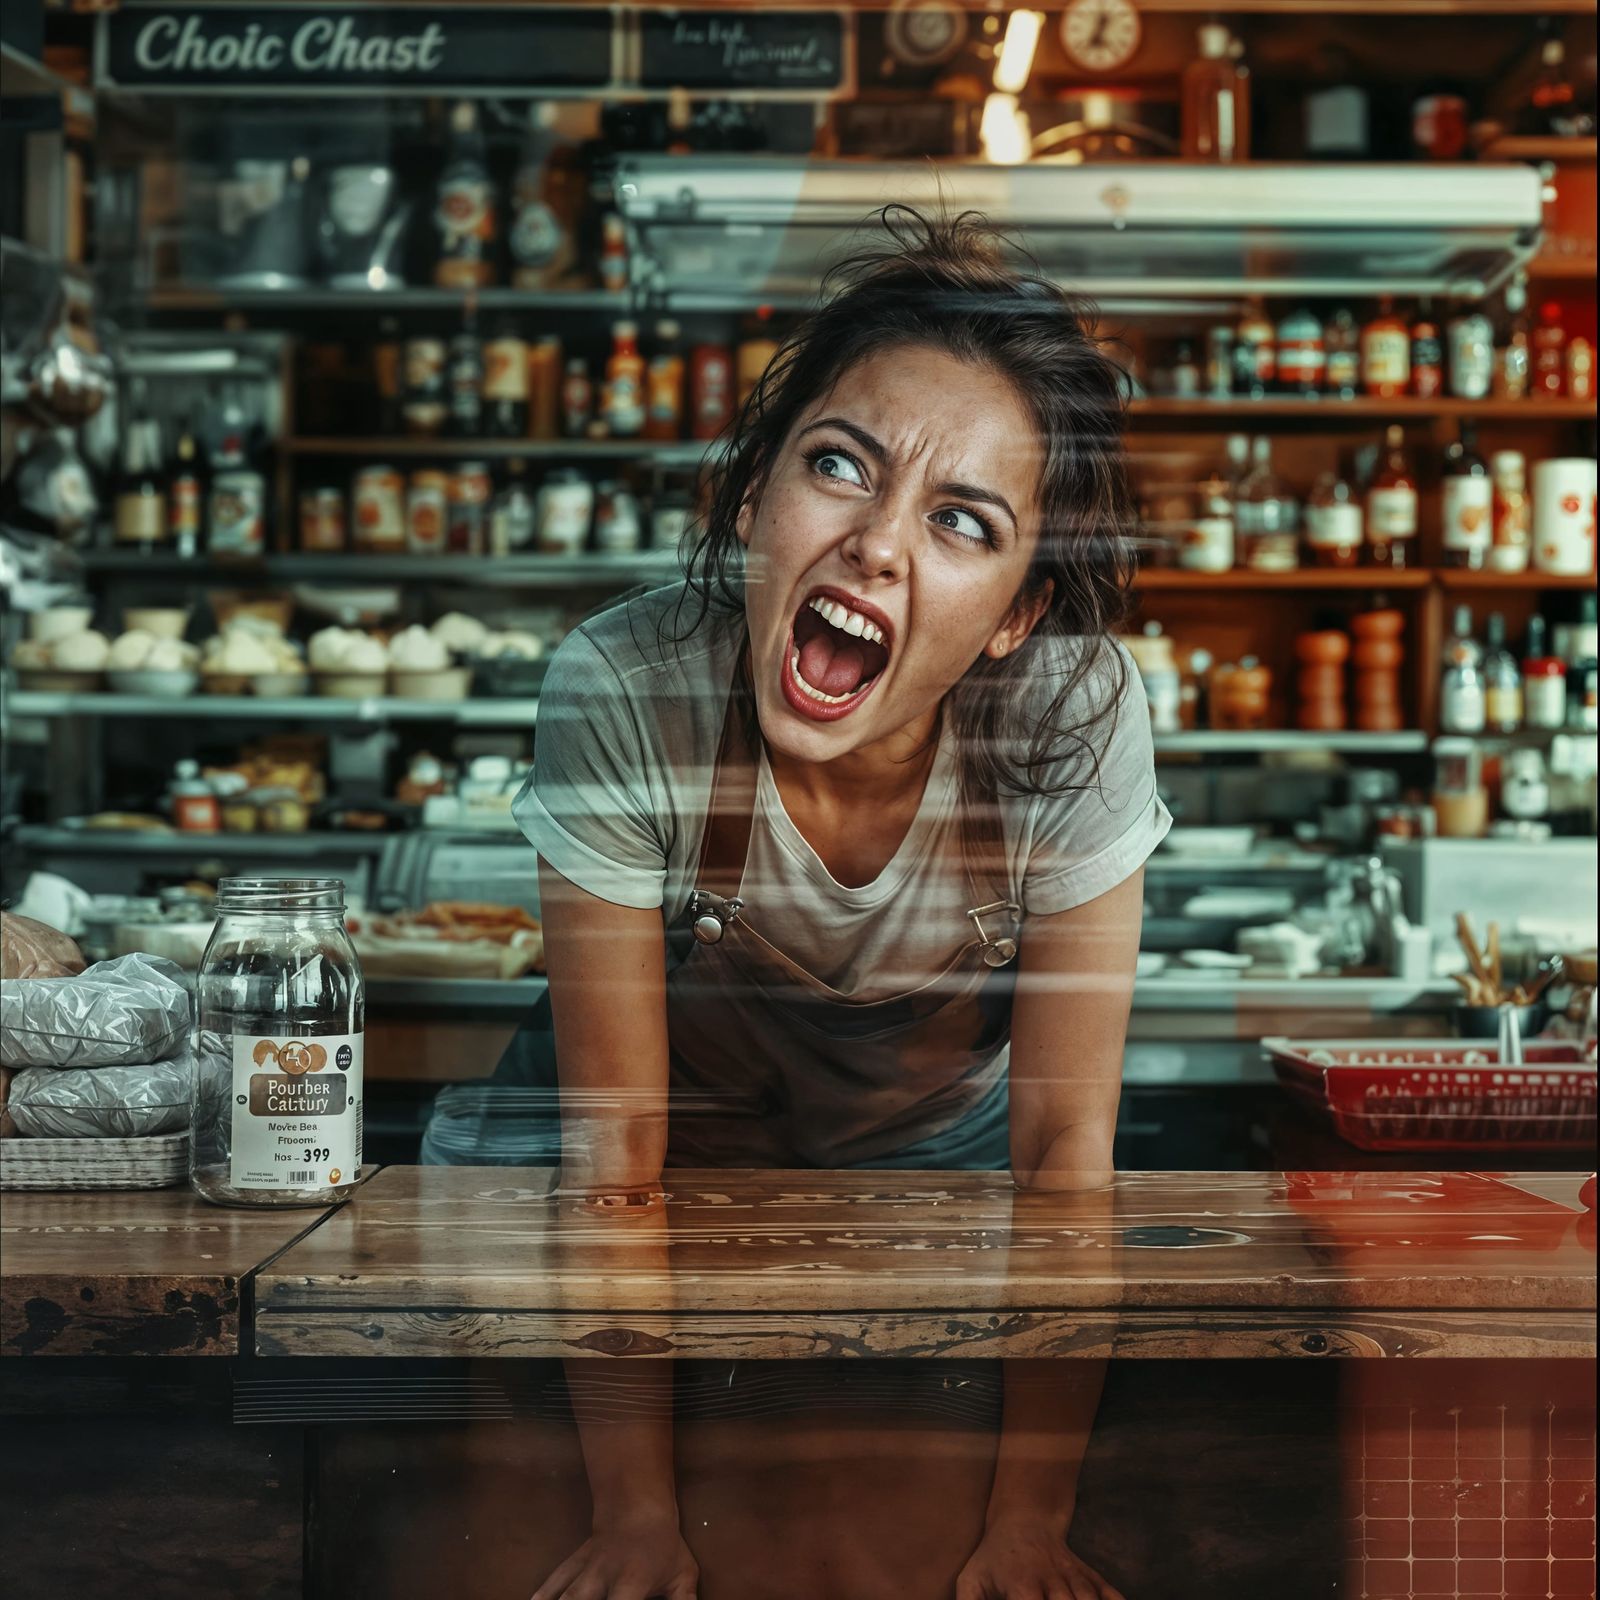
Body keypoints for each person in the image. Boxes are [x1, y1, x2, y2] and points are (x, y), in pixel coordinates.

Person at [450, 208, 1169, 1599]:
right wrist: (635, 1515)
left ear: (1018, 611)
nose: (878, 549)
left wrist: (1028, 1521)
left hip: (936, 1202)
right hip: (645, 1209)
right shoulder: (627, 684)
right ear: (752, 490)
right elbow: (619, 1163)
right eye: (839, 466)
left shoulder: (1075, 711)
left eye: (964, 523)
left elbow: (1067, 1155)